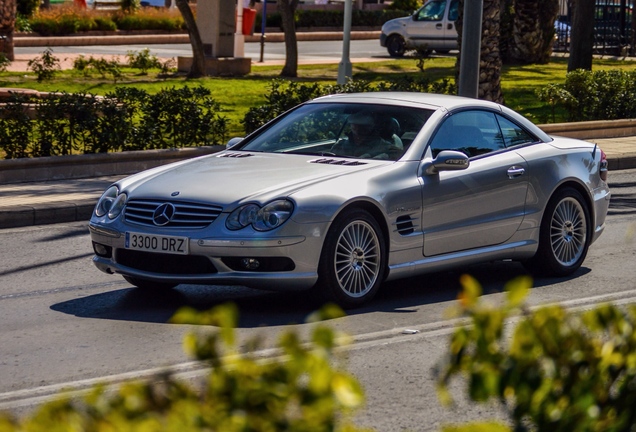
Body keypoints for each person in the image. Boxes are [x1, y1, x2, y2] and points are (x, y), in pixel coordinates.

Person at [332, 111, 400, 159]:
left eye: (362, 126)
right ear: (351, 126)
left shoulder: (386, 147)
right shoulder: (340, 145)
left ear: (371, 127)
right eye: (354, 125)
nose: (357, 129)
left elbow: (398, 156)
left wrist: (373, 156)